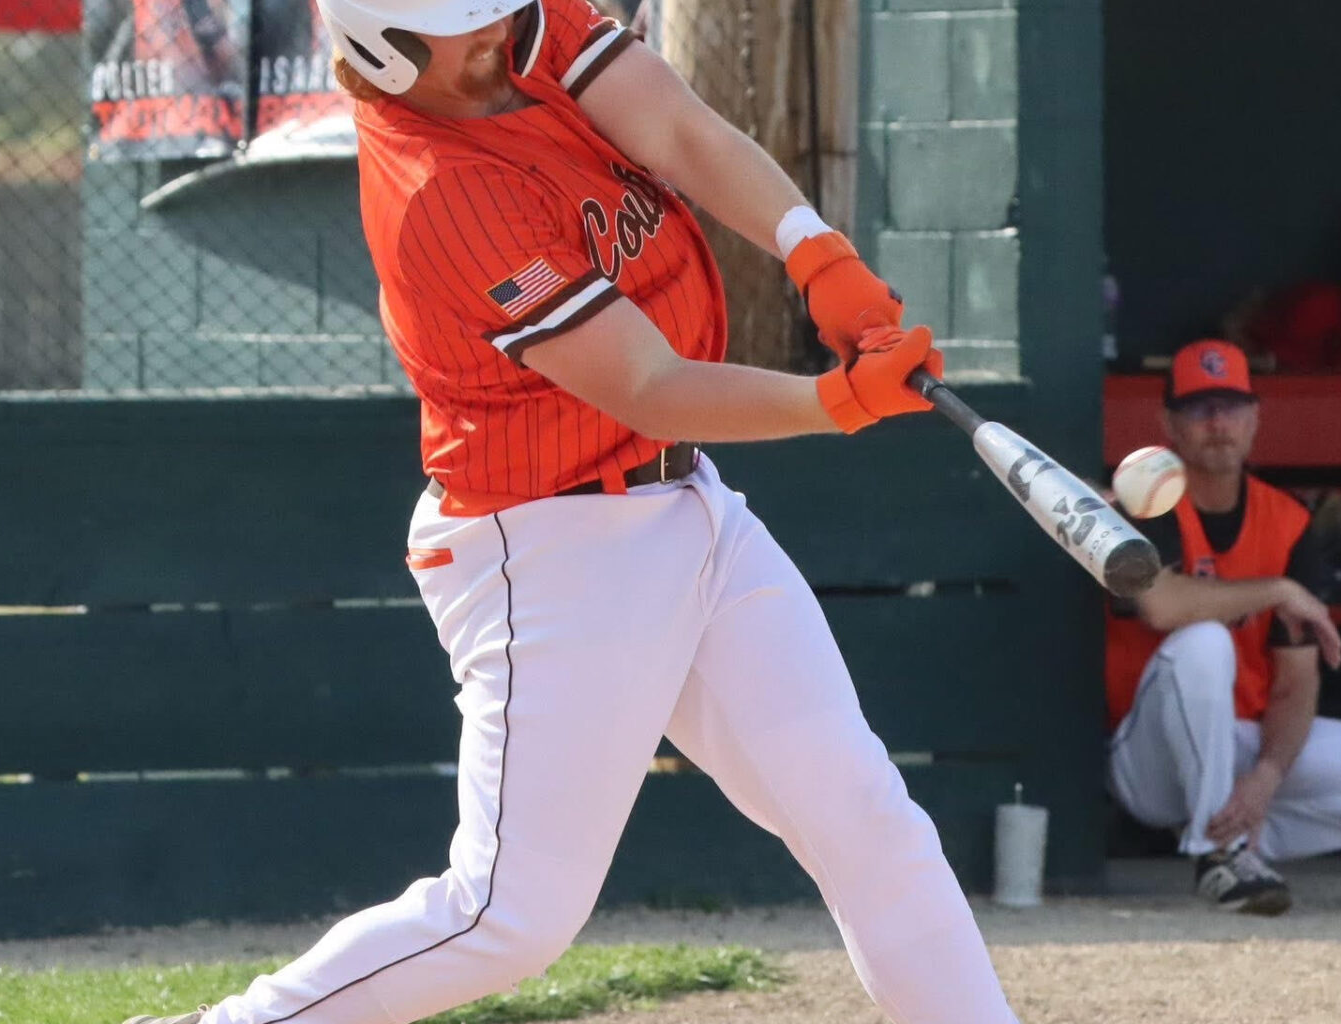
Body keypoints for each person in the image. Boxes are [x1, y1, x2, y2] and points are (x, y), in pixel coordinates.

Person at [123, 2, 1021, 1022]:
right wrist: (836, 401)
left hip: (687, 506)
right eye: (467, 29)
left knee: (865, 817)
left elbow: (680, 129)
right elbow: (646, 382)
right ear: (380, 45)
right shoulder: (440, 197)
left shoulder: (523, 29)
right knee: (508, 913)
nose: (500, 37)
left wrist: (815, 251)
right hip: (548, 547)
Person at [1105, 340, 1341, 915]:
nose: (1217, 423)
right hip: (1148, 754)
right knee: (1202, 642)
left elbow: (1297, 683)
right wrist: (1274, 590)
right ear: (1168, 423)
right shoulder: (1142, 502)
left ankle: (1241, 835)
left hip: (1244, 739)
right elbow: (1161, 608)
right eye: (1199, 409)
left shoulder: (1288, 521)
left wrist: (1267, 776)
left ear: (1255, 418)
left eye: (1230, 407)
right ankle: (1214, 854)